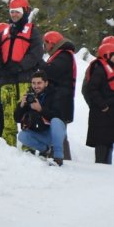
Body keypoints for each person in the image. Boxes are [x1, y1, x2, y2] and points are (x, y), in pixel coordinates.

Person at [0, 0, 44, 147]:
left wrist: (20, 66)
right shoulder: (3, 33)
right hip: (6, 81)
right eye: (12, 12)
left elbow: (36, 53)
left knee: (27, 116)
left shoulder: (33, 32)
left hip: (25, 80)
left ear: (25, 12)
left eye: (17, 12)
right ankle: (9, 150)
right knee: (8, 117)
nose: (14, 15)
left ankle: (29, 148)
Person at [14, 70, 66, 166]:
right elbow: (17, 118)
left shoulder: (55, 94)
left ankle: (58, 157)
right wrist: (21, 105)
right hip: (39, 132)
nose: (36, 86)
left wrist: (40, 109)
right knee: (22, 136)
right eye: (33, 83)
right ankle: (45, 149)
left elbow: (59, 116)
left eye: (39, 83)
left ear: (46, 83)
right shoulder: (30, 96)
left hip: (53, 132)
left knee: (56, 121)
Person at [42, 31, 77, 160]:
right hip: (60, 98)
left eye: (45, 44)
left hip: (62, 99)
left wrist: (40, 64)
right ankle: (60, 156)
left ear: (51, 43)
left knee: (59, 130)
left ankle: (62, 158)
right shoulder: (61, 55)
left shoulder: (64, 56)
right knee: (59, 130)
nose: (44, 47)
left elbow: (52, 72)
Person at [82, 40, 114, 164]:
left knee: (108, 141)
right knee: (102, 143)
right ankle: (101, 167)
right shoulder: (100, 69)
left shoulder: (109, 67)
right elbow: (92, 89)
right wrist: (103, 105)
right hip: (102, 113)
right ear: (107, 55)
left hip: (108, 114)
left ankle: (106, 165)